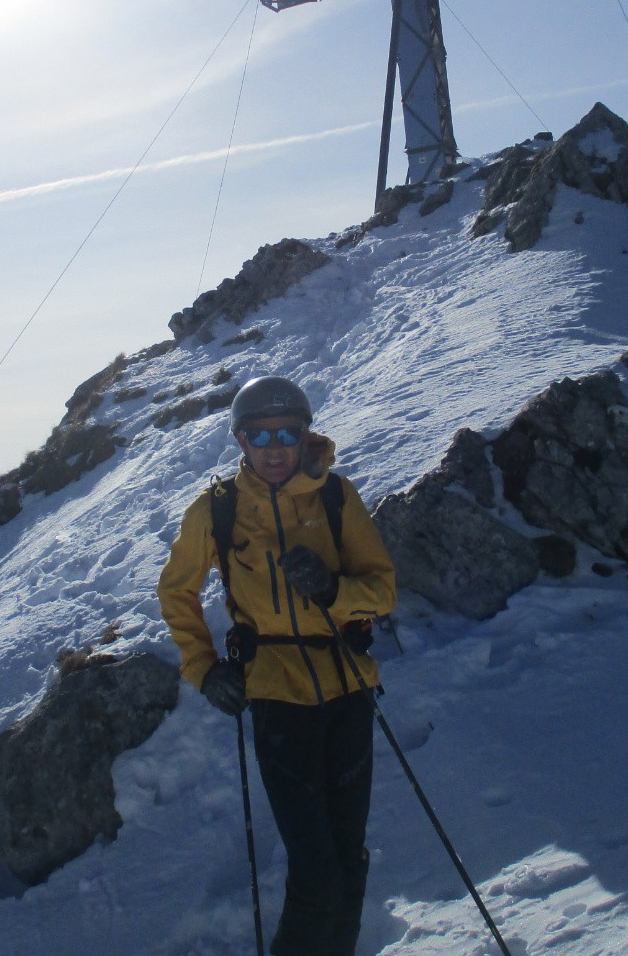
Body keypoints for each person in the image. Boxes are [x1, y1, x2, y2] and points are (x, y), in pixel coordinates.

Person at [158, 375, 398, 956]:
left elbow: (383, 591)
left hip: (348, 689)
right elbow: (176, 591)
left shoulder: (336, 497)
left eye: (288, 433)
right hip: (275, 697)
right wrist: (205, 667)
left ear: (305, 435)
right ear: (240, 440)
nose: (274, 446)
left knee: (348, 856)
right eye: (259, 435)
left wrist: (332, 591)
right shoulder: (217, 511)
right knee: (317, 869)